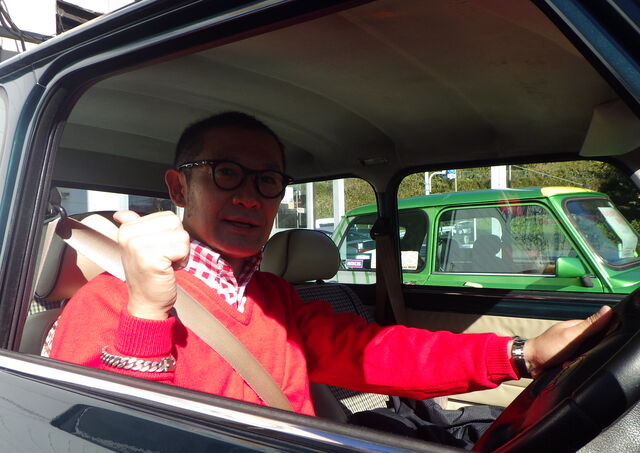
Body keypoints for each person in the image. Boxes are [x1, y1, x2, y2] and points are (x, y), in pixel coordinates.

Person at [49, 112, 612, 416]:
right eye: (226, 173)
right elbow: (98, 443)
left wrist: (520, 353)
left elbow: (376, 353)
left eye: (267, 181)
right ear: (179, 187)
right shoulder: (107, 304)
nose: (249, 197)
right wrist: (148, 312)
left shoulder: (274, 297)